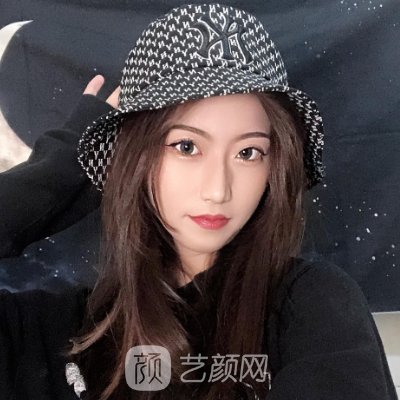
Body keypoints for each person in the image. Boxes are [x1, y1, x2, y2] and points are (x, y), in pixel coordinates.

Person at [0, 3, 398, 400]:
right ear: (136, 157)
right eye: (186, 146)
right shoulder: (62, 329)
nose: (218, 190)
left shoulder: (312, 308)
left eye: (248, 153)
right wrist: (63, 165)